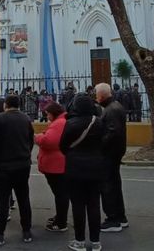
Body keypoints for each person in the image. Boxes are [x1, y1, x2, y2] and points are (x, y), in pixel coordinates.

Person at [0, 95, 35, 246]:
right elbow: (31, 140)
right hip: (22, 165)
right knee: (23, 199)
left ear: (5, 105)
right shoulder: (26, 119)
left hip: (3, 167)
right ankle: (27, 231)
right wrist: (26, 156)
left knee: (2, 201)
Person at [61, 95, 104, 251]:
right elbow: (104, 143)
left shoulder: (71, 123)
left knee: (78, 206)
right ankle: (96, 241)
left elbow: (63, 146)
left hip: (75, 168)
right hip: (96, 168)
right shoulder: (99, 122)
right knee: (94, 205)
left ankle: (79, 240)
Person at [95, 82, 128, 233]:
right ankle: (120, 217)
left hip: (109, 154)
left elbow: (112, 132)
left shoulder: (111, 110)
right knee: (114, 185)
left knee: (108, 186)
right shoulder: (115, 106)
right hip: (114, 153)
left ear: (101, 95)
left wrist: (99, 145)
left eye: (96, 94)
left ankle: (113, 218)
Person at [35, 101, 69, 232]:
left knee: (60, 194)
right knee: (60, 193)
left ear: (54, 113)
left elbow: (48, 141)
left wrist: (37, 137)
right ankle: (60, 217)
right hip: (58, 163)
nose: (47, 117)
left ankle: (61, 222)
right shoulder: (61, 122)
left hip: (56, 165)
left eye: (48, 114)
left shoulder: (59, 123)